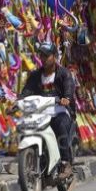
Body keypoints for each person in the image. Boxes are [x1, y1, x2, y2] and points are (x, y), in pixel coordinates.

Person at [20, 42, 76, 179]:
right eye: (42, 55)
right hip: (41, 113)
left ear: (55, 56)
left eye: (47, 55)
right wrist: (17, 102)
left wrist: (66, 98)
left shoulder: (64, 74)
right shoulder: (35, 75)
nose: (44, 58)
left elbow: (69, 88)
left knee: (60, 126)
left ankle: (65, 163)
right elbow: (26, 92)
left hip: (60, 112)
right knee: (25, 126)